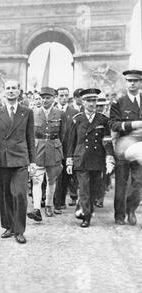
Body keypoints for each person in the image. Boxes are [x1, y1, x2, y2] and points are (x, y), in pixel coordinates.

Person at [0, 80, 35, 244]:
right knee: (5, 195)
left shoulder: (27, 112)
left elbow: (30, 138)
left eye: (14, 88)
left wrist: (33, 161)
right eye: (7, 88)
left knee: (20, 194)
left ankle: (19, 230)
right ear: (3, 91)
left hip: (21, 159)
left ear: (19, 91)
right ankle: (8, 226)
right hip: (3, 159)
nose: (10, 91)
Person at [67, 88, 114, 227]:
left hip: (97, 158)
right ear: (83, 102)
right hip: (81, 158)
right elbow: (71, 142)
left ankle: (85, 208)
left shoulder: (103, 120)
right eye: (89, 101)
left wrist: (109, 157)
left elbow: (107, 140)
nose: (92, 103)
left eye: (94, 100)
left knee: (94, 189)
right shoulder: (77, 120)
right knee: (84, 187)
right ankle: (86, 216)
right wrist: (69, 162)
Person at [27, 87, 66, 222]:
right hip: (38, 149)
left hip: (54, 149)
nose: (45, 100)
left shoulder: (60, 114)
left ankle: (49, 204)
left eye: (48, 98)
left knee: (51, 179)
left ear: (53, 99)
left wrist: (60, 149)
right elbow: (30, 134)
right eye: (43, 98)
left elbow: (63, 134)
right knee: (37, 180)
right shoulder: (33, 113)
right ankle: (37, 207)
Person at [109, 69, 142, 225]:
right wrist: (132, 124)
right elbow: (113, 124)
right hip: (124, 147)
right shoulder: (118, 103)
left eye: (135, 81)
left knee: (138, 182)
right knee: (121, 183)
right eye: (129, 81)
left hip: (141, 148)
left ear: (140, 83)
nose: (132, 83)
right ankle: (119, 215)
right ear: (126, 83)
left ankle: (131, 210)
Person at [54, 87, 79, 213]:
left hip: (69, 148)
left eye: (65, 96)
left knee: (66, 177)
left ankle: (62, 200)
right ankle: (55, 203)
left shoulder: (74, 112)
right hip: (55, 148)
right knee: (56, 176)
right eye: (61, 95)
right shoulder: (53, 110)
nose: (63, 98)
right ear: (56, 97)